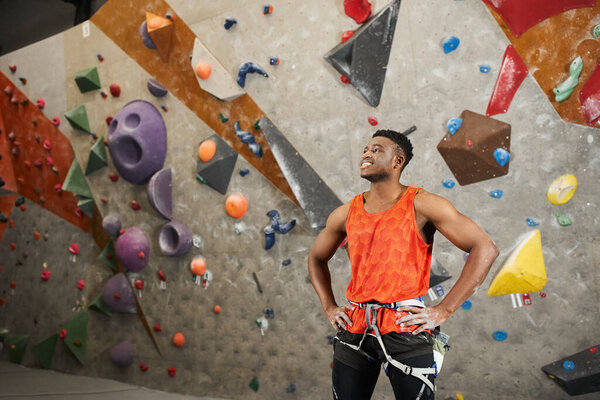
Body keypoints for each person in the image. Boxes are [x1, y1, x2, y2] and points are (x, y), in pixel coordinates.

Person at [307, 129, 499, 400]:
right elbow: (316, 258)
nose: (366, 153)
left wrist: (443, 310)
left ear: (397, 162)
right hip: (355, 327)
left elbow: (485, 248)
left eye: (376, 150)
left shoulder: (423, 204)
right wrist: (329, 306)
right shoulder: (346, 212)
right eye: (365, 149)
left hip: (406, 327)